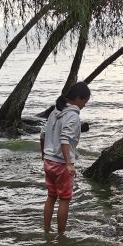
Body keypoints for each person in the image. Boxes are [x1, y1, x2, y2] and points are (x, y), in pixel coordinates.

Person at [40, 81, 91, 234]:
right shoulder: (73, 116)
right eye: (84, 102)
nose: (84, 105)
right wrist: (69, 164)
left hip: (49, 161)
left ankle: (47, 230)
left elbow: (42, 133)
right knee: (65, 199)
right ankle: (61, 235)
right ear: (78, 99)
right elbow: (65, 139)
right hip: (61, 163)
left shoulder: (55, 112)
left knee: (51, 196)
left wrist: (43, 154)